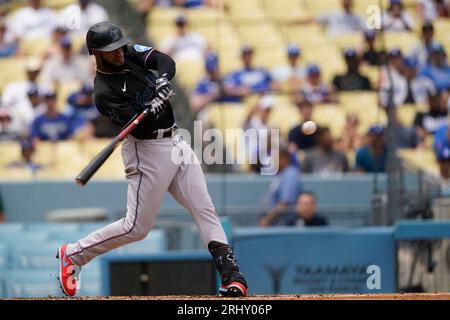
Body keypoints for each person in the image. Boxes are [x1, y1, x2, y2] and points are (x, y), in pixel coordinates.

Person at [57, 22, 248, 298]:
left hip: (176, 141)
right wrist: (149, 108)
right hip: (146, 152)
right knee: (136, 228)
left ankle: (232, 277)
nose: (119, 53)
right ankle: (74, 255)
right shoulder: (103, 93)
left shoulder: (129, 53)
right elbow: (139, 127)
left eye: (119, 46)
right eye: (111, 50)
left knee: (204, 207)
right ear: (97, 54)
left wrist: (163, 80)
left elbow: (163, 60)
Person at [258, 148, 301, 227]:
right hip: (274, 223)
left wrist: (267, 219)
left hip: (282, 224)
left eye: (275, 158)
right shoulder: (281, 174)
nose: (273, 162)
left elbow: (285, 203)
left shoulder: (290, 175)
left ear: (283, 159)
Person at [243, 95, 274, 173]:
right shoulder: (253, 122)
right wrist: (257, 102)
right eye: (265, 110)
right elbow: (246, 119)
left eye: (268, 110)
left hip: (265, 159)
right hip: (251, 156)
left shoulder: (270, 126)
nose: (266, 113)